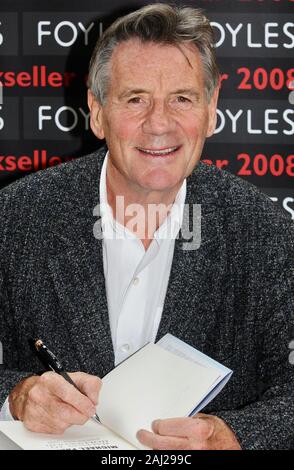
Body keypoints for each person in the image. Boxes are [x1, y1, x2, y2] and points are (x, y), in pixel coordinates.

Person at [0, 4, 293, 450]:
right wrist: (15, 396)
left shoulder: (266, 231)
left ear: (212, 108)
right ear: (97, 111)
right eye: (135, 99)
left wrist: (233, 436)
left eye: (182, 98)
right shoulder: (15, 217)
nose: (159, 123)